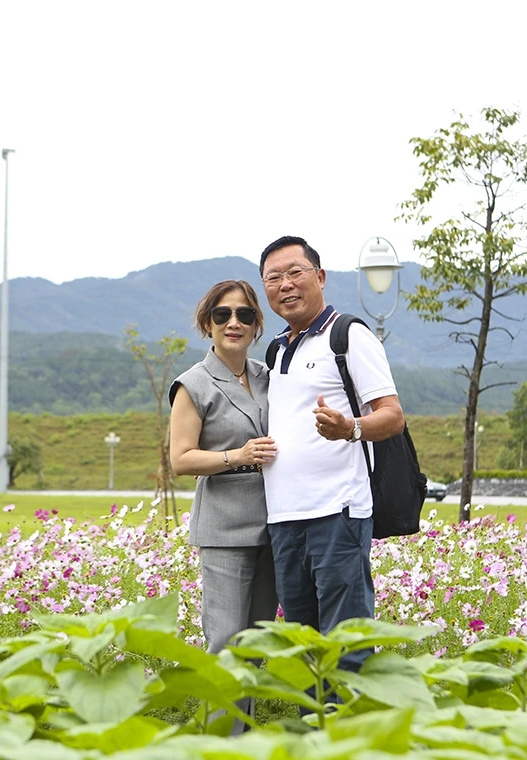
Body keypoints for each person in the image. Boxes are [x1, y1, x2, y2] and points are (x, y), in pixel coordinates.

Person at [258, 235, 405, 676]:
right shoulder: (276, 348)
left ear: (320, 277)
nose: (285, 284)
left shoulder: (349, 336)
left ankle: (350, 737)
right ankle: (313, 737)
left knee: (346, 640)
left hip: (337, 513)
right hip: (285, 517)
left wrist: (350, 428)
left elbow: (392, 416)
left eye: (295, 272)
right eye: (273, 277)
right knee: (303, 643)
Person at [168, 279, 278, 729]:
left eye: (245, 315)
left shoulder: (270, 377)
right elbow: (180, 459)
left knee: (255, 645)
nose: (234, 323)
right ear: (207, 323)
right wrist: (238, 456)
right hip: (225, 530)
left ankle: (243, 740)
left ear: (256, 325)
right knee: (226, 642)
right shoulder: (192, 384)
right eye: (223, 315)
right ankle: (219, 744)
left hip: (273, 526)